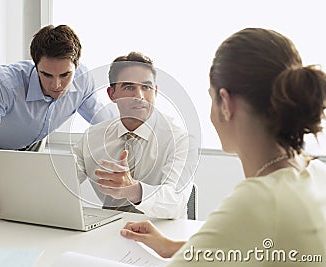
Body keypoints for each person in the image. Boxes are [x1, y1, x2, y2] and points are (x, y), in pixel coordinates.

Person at [120, 28, 326, 266]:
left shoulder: (255, 203)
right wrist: (170, 247)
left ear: (226, 103)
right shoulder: (315, 172)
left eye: (211, 97)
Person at [0, 25, 112, 227]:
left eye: (65, 75)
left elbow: (105, 125)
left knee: (28, 222)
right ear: (35, 65)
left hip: (32, 153)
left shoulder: (83, 81)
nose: (56, 85)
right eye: (47, 75)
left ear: (77, 64)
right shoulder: (4, 84)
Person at [73, 52, 198, 219]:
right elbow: (63, 181)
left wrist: (133, 190)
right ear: (112, 94)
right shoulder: (92, 137)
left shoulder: (181, 141)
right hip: (107, 230)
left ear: (155, 91)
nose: (139, 96)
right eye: (129, 87)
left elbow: (176, 203)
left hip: (160, 233)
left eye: (146, 87)